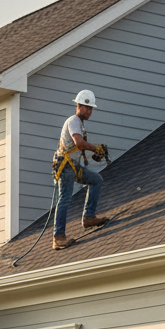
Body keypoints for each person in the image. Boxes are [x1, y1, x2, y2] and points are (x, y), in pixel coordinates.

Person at [51, 89, 109, 250]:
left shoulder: (79, 124)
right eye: (87, 107)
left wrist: (95, 152)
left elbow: (78, 147)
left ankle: (89, 217)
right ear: (78, 105)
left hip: (73, 166)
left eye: (91, 109)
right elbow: (79, 143)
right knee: (65, 198)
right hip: (66, 167)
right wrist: (95, 148)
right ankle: (58, 237)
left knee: (96, 180)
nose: (90, 111)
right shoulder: (74, 120)